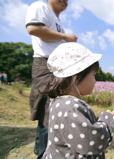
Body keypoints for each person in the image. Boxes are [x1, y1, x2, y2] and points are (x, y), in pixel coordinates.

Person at [42, 42, 114, 159]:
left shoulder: (59, 102)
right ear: (76, 77)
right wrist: (108, 118)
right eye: (93, 75)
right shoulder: (70, 108)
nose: (95, 81)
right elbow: (93, 140)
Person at [25, 0, 77, 158]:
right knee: (49, 111)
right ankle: (44, 154)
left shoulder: (57, 21)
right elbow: (33, 28)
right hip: (46, 65)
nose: (65, 1)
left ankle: (38, 147)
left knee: (48, 110)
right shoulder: (40, 7)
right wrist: (65, 36)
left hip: (57, 67)